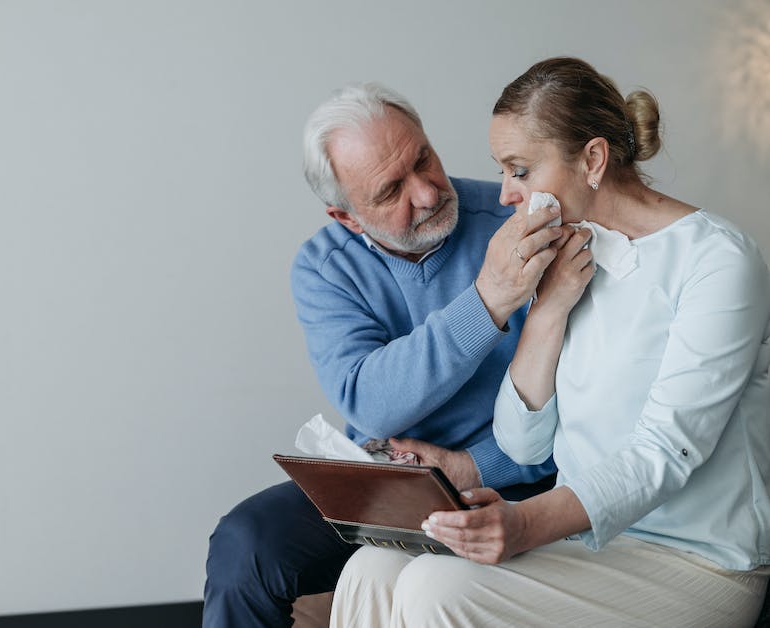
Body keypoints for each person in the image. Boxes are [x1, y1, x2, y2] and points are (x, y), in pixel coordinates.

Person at [329, 56, 770, 628]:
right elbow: (522, 446)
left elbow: (667, 450)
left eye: (519, 170)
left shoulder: (716, 260)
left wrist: (524, 523)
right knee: (371, 568)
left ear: (592, 159)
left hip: (697, 560)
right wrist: (548, 312)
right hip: (589, 546)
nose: (507, 195)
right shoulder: (569, 253)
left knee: (439, 587)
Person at [202, 82, 561, 628]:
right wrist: (488, 300)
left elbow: (586, 404)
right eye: (390, 190)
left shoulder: (521, 224)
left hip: (514, 480)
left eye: (423, 159)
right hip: (386, 487)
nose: (425, 193)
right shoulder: (325, 266)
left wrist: (469, 467)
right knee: (245, 542)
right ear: (346, 216)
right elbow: (371, 403)